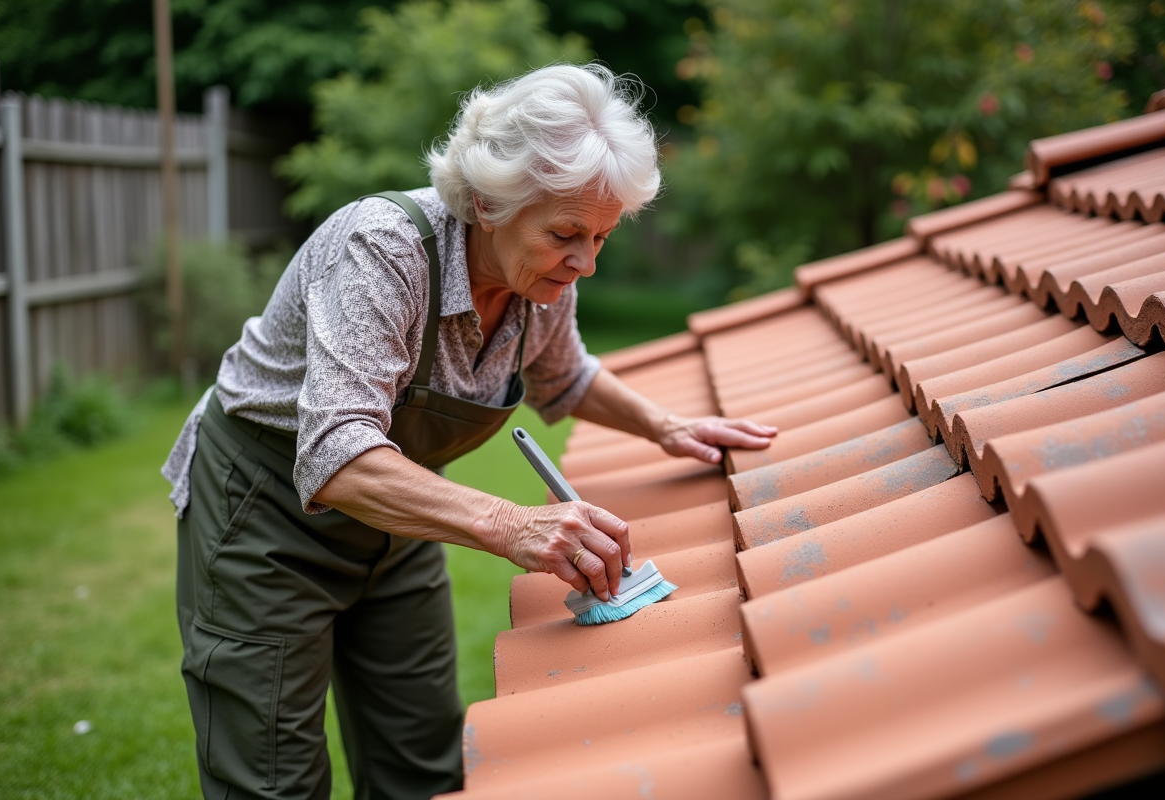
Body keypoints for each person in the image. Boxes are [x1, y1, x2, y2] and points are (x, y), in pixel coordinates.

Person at [162, 63, 776, 800]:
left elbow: (564, 376)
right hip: (265, 520)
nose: (585, 263)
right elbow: (335, 453)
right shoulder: (385, 250)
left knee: (422, 765)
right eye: (566, 234)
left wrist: (668, 427)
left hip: (399, 522)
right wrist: (512, 524)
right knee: (271, 778)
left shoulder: (539, 285)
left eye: (602, 237)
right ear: (489, 203)